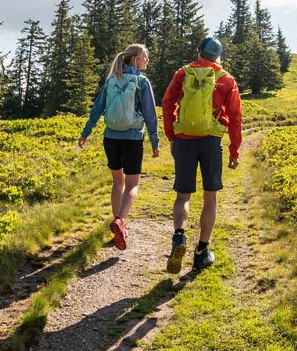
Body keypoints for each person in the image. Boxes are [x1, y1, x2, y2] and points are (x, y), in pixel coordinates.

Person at [161, 36, 242, 272]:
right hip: (211, 142)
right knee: (210, 197)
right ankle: (201, 251)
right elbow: (236, 117)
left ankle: (179, 237)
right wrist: (234, 150)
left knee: (183, 196)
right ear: (218, 56)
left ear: (199, 52)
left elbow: (168, 104)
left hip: (185, 141)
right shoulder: (226, 79)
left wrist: (172, 136)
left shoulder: (183, 73)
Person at [78, 43, 160, 251]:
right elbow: (150, 115)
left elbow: (98, 108)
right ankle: (120, 221)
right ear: (135, 59)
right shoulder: (142, 81)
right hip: (132, 138)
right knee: (132, 184)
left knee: (117, 181)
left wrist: (86, 132)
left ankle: (117, 226)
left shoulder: (111, 79)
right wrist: (155, 141)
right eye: (144, 57)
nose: (147, 61)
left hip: (111, 138)